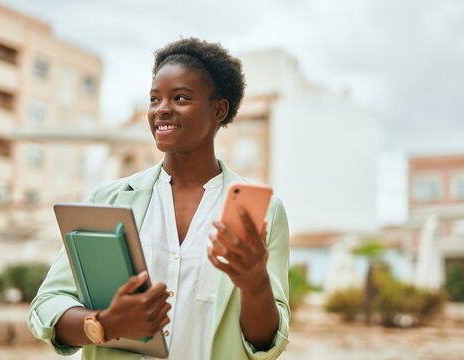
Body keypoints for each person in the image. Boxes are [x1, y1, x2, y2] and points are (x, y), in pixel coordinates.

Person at [29, 38, 290, 360]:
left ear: (219, 110)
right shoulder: (108, 199)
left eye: (180, 98)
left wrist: (255, 285)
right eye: (154, 99)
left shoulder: (263, 213)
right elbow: (47, 306)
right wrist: (105, 323)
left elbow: (267, 344)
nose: (161, 109)